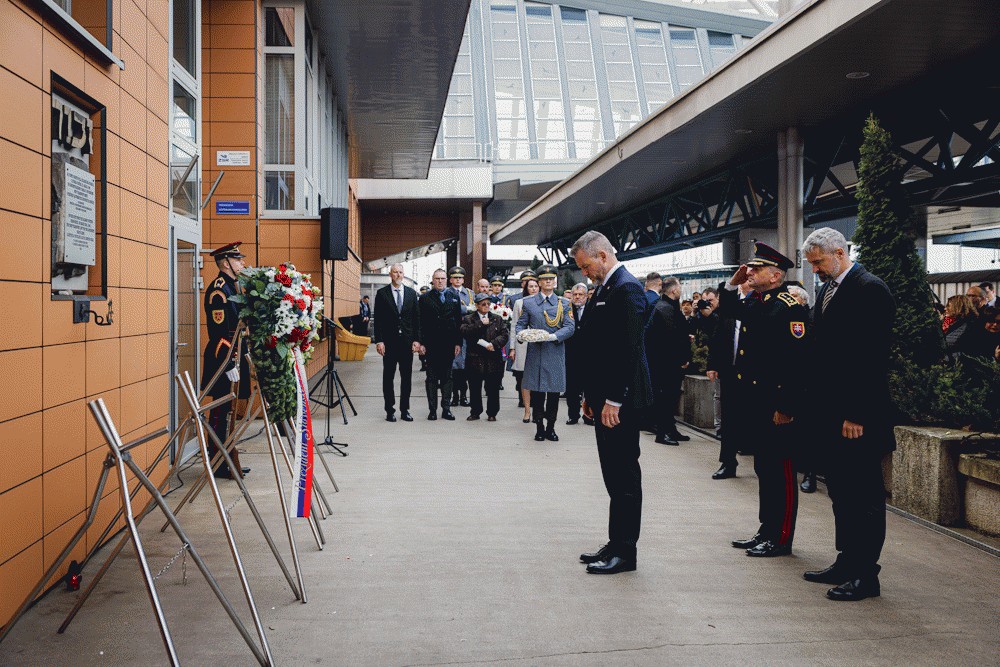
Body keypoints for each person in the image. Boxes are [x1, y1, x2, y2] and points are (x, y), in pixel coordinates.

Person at [802, 227, 896, 601]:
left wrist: (857, 413)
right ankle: (847, 560)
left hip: (858, 417)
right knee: (842, 493)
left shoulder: (870, 289)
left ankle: (865, 574)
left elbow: (871, 356)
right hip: (831, 413)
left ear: (840, 253)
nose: (815, 270)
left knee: (864, 496)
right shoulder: (829, 290)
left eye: (819, 262)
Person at [719, 242, 808, 559]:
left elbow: (797, 364)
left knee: (780, 473)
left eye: (757, 269)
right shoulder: (759, 302)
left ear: (776, 275)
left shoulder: (788, 308)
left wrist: (786, 407)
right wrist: (733, 285)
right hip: (757, 403)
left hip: (776, 406)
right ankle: (766, 530)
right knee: (764, 469)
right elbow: (729, 311)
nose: (750, 272)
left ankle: (781, 538)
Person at [572, 231, 652, 575]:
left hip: (620, 402)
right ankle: (615, 542)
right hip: (604, 398)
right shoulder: (606, 287)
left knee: (624, 476)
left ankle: (625, 551)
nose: (584, 273)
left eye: (586, 265)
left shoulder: (626, 288)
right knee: (613, 476)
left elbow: (627, 350)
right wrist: (590, 397)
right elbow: (595, 346)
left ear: (602, 255)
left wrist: (614, 399)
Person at [201, 241, 251, 480]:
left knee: (229, 412)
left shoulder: (234, 287)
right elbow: (220, 333)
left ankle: (227, 457)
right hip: (223, 358)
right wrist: (228, 363)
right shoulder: (219, 291)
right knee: (220, 413)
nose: (242, 262)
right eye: (238, 259)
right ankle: (217, 463)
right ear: (226, 263)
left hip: (235, 356)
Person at [515, 264, 575, 442]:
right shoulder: (529, 303)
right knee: (538, 394)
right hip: (536, 353)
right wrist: (521, 335)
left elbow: (570, 327)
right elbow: (520, 324)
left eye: (551, 279)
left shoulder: (564, 303)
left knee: (554, 394)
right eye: (544, 279)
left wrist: (554, 336)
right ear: (539, 282)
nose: (548, 282)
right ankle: (539, 428)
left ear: (555, 282)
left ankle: (551, 428)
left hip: (555, 352)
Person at [706, 280, 752, 479]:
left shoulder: (762, 304)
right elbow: (717, 336)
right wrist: (712, 364)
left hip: (754, 374)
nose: (749, 280)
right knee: (729, 420)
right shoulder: (729, 307)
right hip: (730, 371)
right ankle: (728, 462)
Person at [646, 277, 692, 445]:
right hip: (667, 364)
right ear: (674, 290)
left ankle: (670, 430)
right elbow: (671, 338)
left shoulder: (666, 306)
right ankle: (663, 433)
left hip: (665, 362)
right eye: (679, 287)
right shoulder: (666, 308)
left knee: (670, 398)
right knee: (666, 399)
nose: (681, 290)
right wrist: (682, 358)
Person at [373, 264, 420, 422]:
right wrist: (379, 340)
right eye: (395, 272)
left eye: (400, 272)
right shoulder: (382, 294)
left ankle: (405, 410)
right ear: (390, 274)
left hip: (407, 343)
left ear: (403, 274)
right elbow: (378, 319)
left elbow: (416, 319)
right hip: (389, 343)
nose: (398, 275)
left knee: (406, 378)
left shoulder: (411, 293)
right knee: (388, 377)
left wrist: (417, 340)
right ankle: (390, 410)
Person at [417, 269, 462, 420]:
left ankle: (446, 409)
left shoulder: (453, 297)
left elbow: (458, 322)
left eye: (442, 278)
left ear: (447, 280)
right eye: (437, 279)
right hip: (431, 344)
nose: (440, 281)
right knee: (431, 378)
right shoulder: (425, 298)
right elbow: (420, 322)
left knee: (447, 378)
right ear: (433, 280)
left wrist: (458, 342)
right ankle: (432, 410)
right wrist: (421, 343)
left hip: (448, 344)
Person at [787, 284, 818, 493]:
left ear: (802, 300)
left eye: (792, 297)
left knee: (809, 430)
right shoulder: (783, 316)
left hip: (809, 381)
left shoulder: (809, 317)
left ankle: (810, 473)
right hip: (790, 381)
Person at [461, 293, 510, 421]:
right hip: (475, 358)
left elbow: (504, 335)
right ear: (477, 305)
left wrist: (494, 344)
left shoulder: (497, 318)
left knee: (493, 387)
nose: (486, 306)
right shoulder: (469, 319)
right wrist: (480, 324)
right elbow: (466, 332)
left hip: (493, 358)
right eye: (483, 304)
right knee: (474, 387)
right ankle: (475, 411)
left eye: (488, 304)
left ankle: (492, 413)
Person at [510, 277, 539, 422]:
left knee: (538, 378)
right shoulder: (519, 303)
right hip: (523, 344)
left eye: (535, 286)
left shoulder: (544, 302)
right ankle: (527, 410)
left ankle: (538, 410)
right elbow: (514, 325)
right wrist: (512, 347)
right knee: (524, 378)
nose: (533, 289)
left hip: (539, 343)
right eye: (530, 286)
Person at [448, 266, 476, 408]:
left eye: (460, 278)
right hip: (452, 333)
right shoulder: (447, 293)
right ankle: (455, 396)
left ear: (463, 280)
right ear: (451, 279)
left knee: (465, 368)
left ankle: (464, 396)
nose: (457, 280)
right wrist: (466, 309)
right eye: (455, 278)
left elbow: (475, 311)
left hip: (467, 335)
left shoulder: (470, 294)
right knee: (453, 367)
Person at [565, 283, 589, 425]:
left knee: (589, 387)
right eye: (575, 294)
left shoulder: (592, 309)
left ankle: (588, 415)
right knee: (572, 387)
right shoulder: (567, 310)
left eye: (580, 294)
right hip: (571, 354)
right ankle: (573, 415)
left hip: (588, 355)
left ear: (586, 296)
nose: (577, 297)